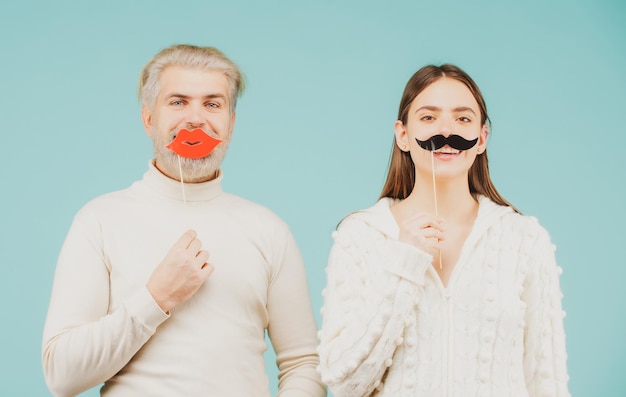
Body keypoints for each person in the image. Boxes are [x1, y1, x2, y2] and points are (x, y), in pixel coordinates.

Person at [42, 44, 326, 397]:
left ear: (231, 124)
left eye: (212, 103)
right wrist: (156, 297)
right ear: (149, 119)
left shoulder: (269, 230)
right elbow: (61, 375)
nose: (195, 119)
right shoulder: (98, 221)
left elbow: (303, 364)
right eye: (178, 102)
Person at [317, 64, 570, 396]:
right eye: (428, 117)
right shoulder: (361, 235)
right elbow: (344, 383)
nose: (447, 131)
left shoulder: (524, 240)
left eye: (463, 119)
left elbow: (545, 380)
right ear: (403, 135)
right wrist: (404, 266)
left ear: (481, 138)